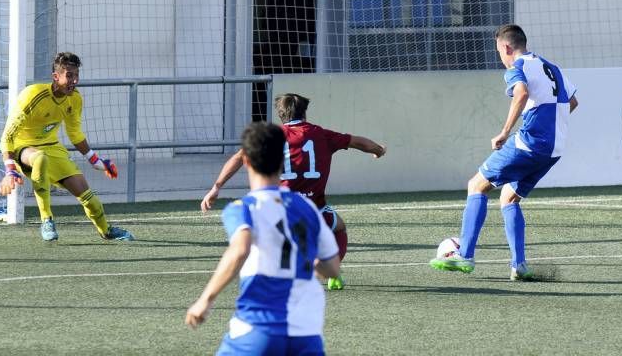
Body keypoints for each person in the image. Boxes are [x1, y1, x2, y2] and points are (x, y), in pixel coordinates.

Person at [430, 24, 578, 280]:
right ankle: (518, 266)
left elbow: (520, 93)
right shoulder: (551, 67)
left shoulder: (517, 67)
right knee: (509, 198)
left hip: (529, 144)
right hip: (554, 149)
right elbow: (572, 102)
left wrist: (505, 131)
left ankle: (464, 253)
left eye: (498, 50)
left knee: (476, 185)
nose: (500, 56)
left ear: (506, 47)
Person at [201, 93, 386, 290]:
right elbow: (358, 142)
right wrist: (378, 150)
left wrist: (217, 186)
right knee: (339, 228)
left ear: (280, 115)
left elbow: (239, 157)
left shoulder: (273, 136)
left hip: (280, 209)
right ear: (304, 112)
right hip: (315, 208)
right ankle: (332, 272)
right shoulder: (321, 134)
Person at [186, 122, 341, 355]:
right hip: (306, 333)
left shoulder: (243, 208)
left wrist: (205, 300)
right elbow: (332, 268)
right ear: (283, 161)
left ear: (246, 161)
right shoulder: (308, 208)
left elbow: (240, 250)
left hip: (259, 329)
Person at [0, 52, 134, 242]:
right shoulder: (32, 95)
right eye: (69, 75)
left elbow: (75, 134)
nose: (74, 80)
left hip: (53, 148)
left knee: (90, 199)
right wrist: (10, 169)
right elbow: (7, 136)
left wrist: (95, 160)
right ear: (56, 76)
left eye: (76, 75)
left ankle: (106, 231)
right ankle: (47, 220)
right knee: (40, 158)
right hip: (23, 148)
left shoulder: (75, 99)